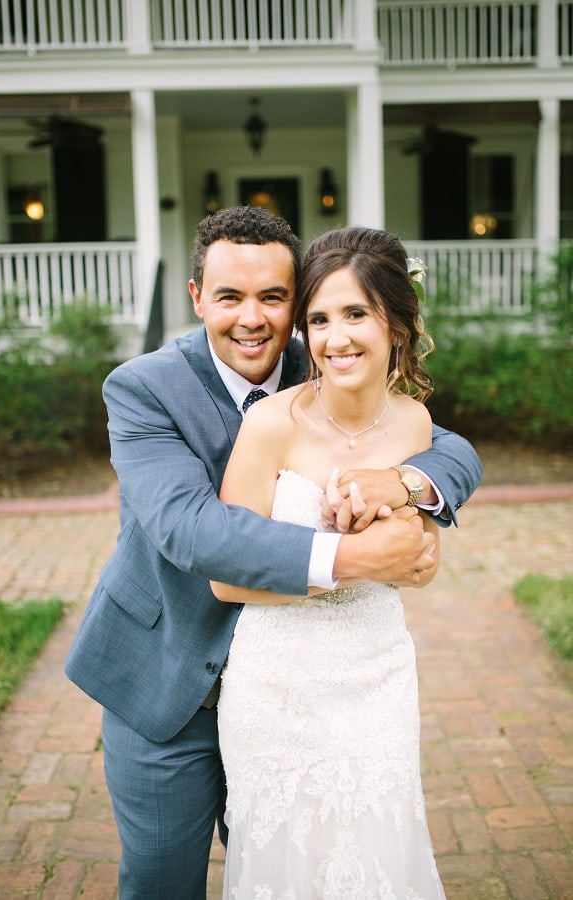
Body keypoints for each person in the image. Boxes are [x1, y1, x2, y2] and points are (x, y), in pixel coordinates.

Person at [65, 207, 481, 899]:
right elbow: (192, 532)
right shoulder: (143, 388)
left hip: (299, 693)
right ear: (197, 297)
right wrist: (360, 558)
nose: (252, 318)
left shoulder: (324, 357)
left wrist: (409, 482)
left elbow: (450, 446)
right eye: (229, 296)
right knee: (164, 881)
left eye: (274, 297)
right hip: (167, 679)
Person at [211, 225, 449, 898]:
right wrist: (357, 559)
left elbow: (421, 557)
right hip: (278, 681)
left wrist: (415, 548)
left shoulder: (416, 424)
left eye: (355, 314)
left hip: (379, 672)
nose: (335, 338)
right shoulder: (271, 423)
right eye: (318, 319)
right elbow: (226, 578)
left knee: (378, 851)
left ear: (395, 323)